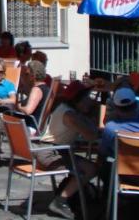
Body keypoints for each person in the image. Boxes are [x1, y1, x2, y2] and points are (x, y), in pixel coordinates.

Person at [37, 82, 100, 220]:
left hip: (53, 150)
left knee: (87, 167)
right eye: (87, 98)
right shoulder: (70, 115)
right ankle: (60, 201)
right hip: (50, 154)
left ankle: (72, 193)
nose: (90, 101)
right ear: (77, 99)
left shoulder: (65, 108)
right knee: (90, 169)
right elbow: (91, 136)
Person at [99, 87, 139, 159]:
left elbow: (103, 151)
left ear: (116, 109)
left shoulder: (110, 128)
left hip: (121, 168)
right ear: (136, 106)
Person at [13, 60, 51, 133]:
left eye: (27, 74)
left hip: (31, 127)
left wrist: (18, 107)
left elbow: (28, 111)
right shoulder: (46, 88)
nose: (25, 77)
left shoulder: (36, 90)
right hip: (39, 127)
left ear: (32, 76)